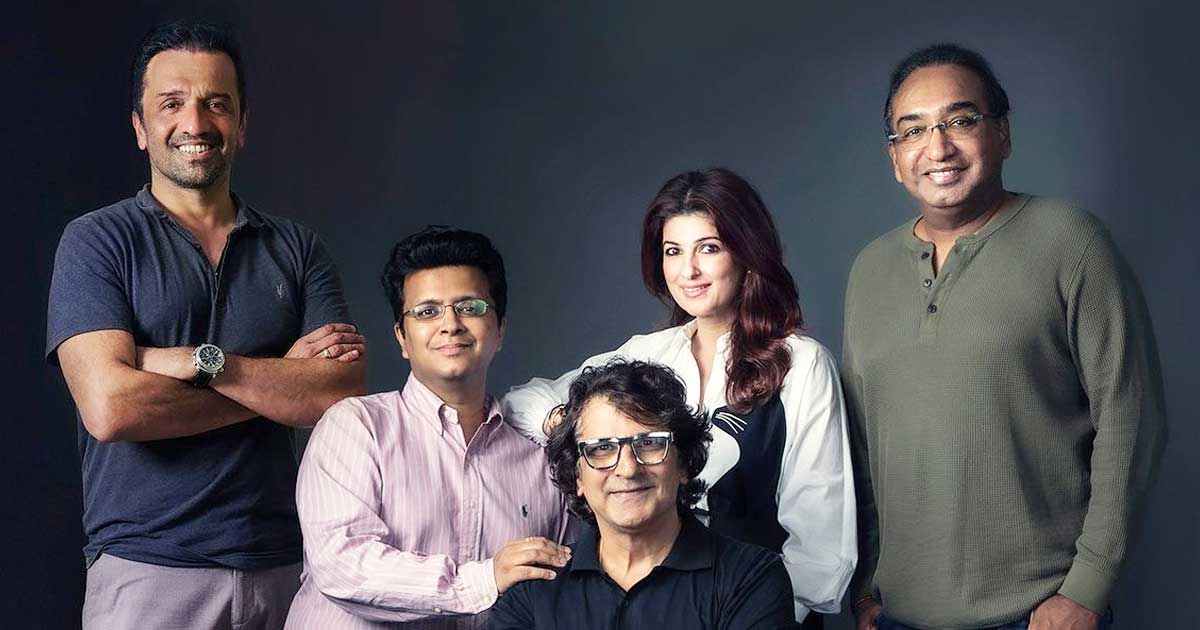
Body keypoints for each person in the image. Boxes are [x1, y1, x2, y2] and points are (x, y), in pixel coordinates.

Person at [45, 19, 367, 630]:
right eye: (171, 104)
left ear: (241, 124)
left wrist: (199, 363)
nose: (195, 123)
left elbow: (338, 395)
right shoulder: (96, 241)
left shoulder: (297, 248)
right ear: (140, 127)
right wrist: (278, 385)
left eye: (217, 103)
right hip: (147, 569)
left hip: (286, 566)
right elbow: (111, 409)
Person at [843, 43, 1167, 630]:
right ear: (895, 158)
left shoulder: (1071, 241)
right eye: (912, 130)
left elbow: (1131, 421)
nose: (937, 147)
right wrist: (865, 584)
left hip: (1035, 613)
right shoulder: (869, 269)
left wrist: (1086, 592)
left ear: (1003, 134)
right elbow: (862, 449)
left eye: (961, 121)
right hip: (896, 616)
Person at [502, 167, 856, 628]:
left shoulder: (801, 364)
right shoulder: (648, 354)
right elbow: (519, 401)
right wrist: (566, 424)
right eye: (673, 251)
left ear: (747, 253)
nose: (688, 271)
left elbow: (821, 548)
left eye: (708, 248)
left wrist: (752, 611)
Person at [285, 226, 572, 629]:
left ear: (500, 330)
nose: (451, 324)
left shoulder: (541, 458)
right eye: (427, 311)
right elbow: (343, 565)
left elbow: (561, 588)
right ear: (402, 338)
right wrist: (483, 579)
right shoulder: (355, 427)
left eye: (470, 307)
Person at [491, 359, 799, 629]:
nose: (627, 469)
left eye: (650, 443)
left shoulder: (753, 578)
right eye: (601, 448)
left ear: (684, 464)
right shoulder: (532, 591)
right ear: (577, 477)